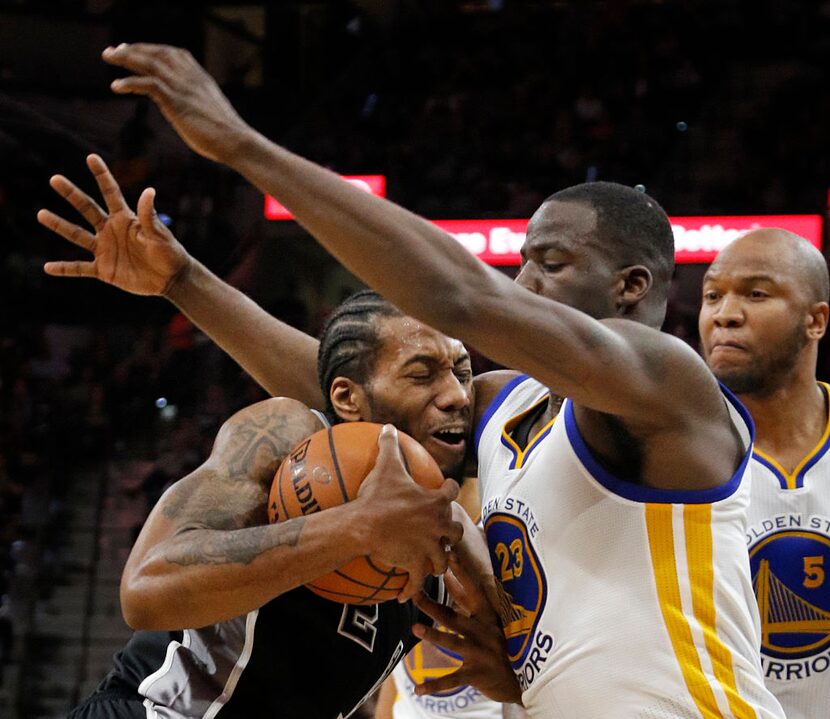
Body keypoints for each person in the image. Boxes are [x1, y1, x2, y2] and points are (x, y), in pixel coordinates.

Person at [86, 42, 786, 718]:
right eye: (522, 263)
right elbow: (353, 385)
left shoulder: (670, 382)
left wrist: (243, 146)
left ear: (630, 286)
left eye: (550, 262)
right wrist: (186, 281)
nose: (524, 281)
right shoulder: (515, 406)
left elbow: (463, 298)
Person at [43, 156, 492, 719]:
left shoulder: (460, 520)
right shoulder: (288, 432)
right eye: (422, 373)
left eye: (463, 372)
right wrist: (352, 528)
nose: (455, 394)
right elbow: (147, 588)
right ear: (348, 399)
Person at [699, 228, 830, 719]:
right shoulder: (670, 455)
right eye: (713, 295)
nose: (724, 314)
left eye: (756, 293)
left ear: (815, 320)